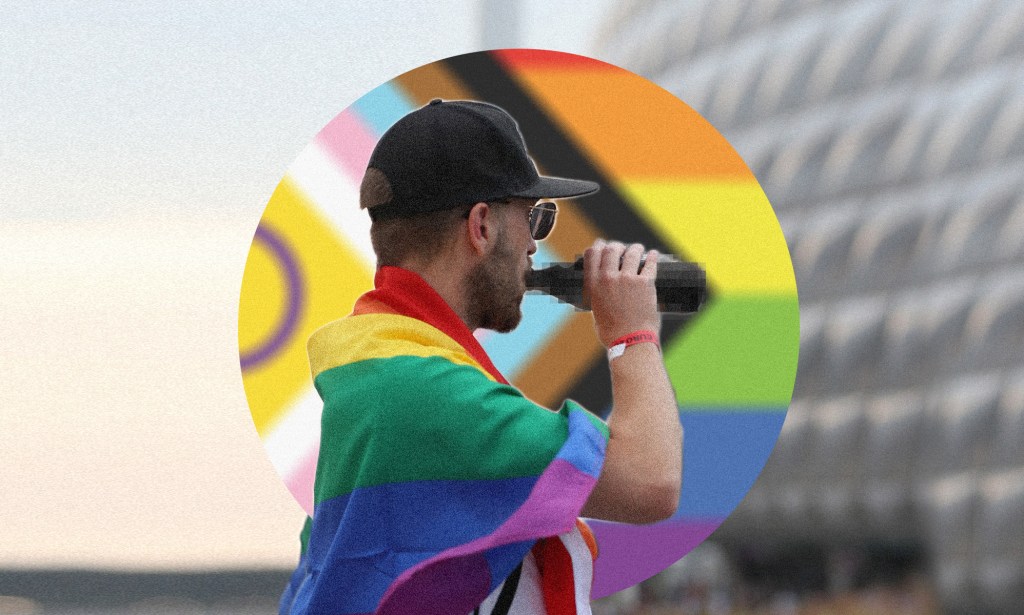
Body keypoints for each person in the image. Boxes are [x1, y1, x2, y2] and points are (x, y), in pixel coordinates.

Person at [279, 99, 682, 615]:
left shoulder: (373, 366)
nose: (534, 248)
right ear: (483, 225)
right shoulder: (427, 393)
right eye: (532, 218)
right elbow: (651, 482)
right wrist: (632, 335)